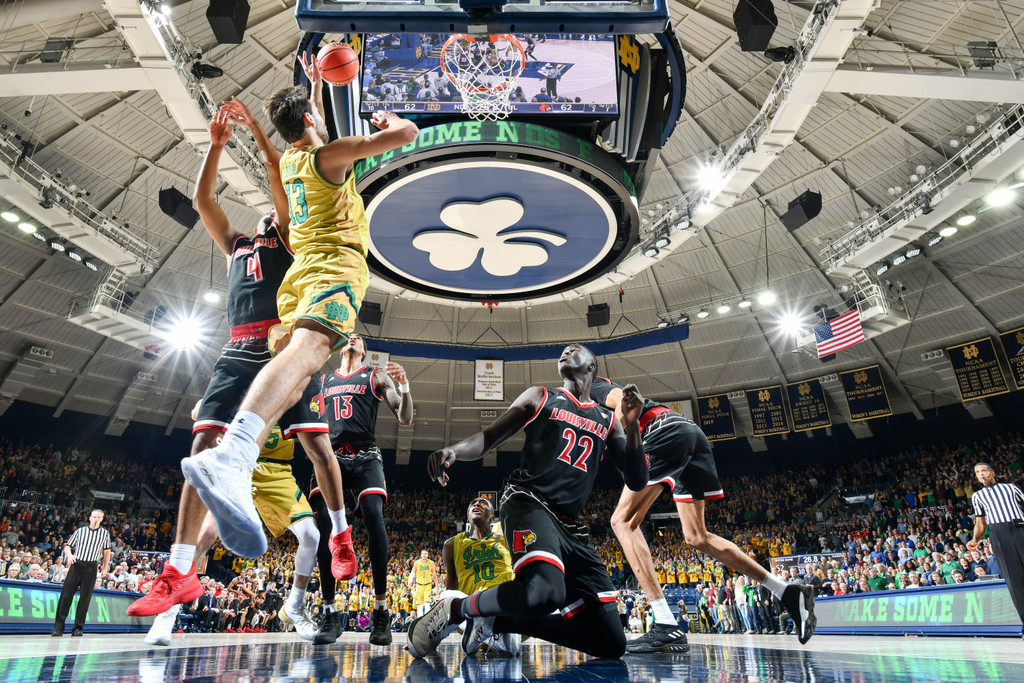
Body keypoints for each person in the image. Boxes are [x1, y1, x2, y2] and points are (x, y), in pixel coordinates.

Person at [177, 50, 419, 559]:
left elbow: (300, 142)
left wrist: (312, 89)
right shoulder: (315, 167)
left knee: (301, 409)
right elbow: (406, 136)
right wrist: (391, 121)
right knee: (308, 360)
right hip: (332, 266)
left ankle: (252, 474)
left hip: (299, 282)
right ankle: (236, 459)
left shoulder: (291, 161)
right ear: (307, 119)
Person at [126, 101, 353, 624]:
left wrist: (253, 129)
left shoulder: (290, 237)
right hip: (236, 348)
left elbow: (276, 171)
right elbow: (204, 199)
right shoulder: (235, 246)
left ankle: (340, 533)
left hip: (281, 346)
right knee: (202, 448)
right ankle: (179, 571)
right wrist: (215, 144)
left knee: (317, 444)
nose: (266, 209)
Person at [408, 344, 647, 660]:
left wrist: (632, 428)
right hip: (528, 500)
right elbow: (488, 438)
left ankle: (497, 620)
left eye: (574, 350)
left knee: (610, 642)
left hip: (572, 525)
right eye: (562, 350)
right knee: (546, 593)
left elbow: (637, 480)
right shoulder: (541, 396)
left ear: (592, 366)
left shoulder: (607, 419)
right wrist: (454, 450)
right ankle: (456, 608)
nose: (564, 352)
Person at [590, 375, 816, 650]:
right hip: (689, 435)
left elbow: (624, 404)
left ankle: (665, 624)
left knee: (621, 522)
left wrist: (608, 433)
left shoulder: (594, 388)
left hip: (663, 429)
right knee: (697, 536)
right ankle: (786, 591)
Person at [309, 334, 414, 646]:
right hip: (330, 457)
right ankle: (329, 613)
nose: (353, 337)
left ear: (365, 353)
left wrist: (405, 387)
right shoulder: (323, 380)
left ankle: (380, 612)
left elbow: (405, 417)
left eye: (359, 339)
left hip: (366, 454)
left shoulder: (375, 376)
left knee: (372, 513)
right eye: (350, 336)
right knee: (324, 526)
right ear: (343, 348)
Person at [440, 496, 519, 654]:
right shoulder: (451, 545)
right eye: (472, 504)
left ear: (491, 517)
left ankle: (490, 626)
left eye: (483, 503)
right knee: (447, 595)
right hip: (471, 614)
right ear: (468, 516)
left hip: (504, 607)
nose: (476, 504)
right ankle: (484, 625)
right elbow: (452, 588)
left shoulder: (507, 540)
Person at [968, 461, 1024, 634]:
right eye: (978, 472)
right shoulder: (977, 496)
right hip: (998, 535)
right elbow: (980, 522)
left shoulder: (1010, 488)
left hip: (1020, 529)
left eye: (984, 470)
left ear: (992, 472)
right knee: (1014, 580)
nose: (981, 474)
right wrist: (974, 539)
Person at [53, 509, 111, 637]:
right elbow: (67, 546)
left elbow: (107, 552)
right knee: (66, 596)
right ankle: (58, 627)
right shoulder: (80, 531)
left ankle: (78, 628)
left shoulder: (104, 534)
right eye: (94, 516)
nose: (96, 519)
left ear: (102, 519)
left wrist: (105, 567)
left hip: (91, 566)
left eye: (99, 517)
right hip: (77, 564)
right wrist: (69, 555)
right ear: (90, 518)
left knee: (85, 598)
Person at [409, 549, 440, 618]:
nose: (424, 555)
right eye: (423, 553)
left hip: (428, 585)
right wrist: (410, 581)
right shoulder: (417, 563)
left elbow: (434, 575)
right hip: (419, 585)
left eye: (425, 553)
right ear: (420, 555)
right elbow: (413, 573)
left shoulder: (431, 563)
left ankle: (427, 618)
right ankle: (419, 618)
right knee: (419, 605)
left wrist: (437, 586)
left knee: (427, 604)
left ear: (427, 555)